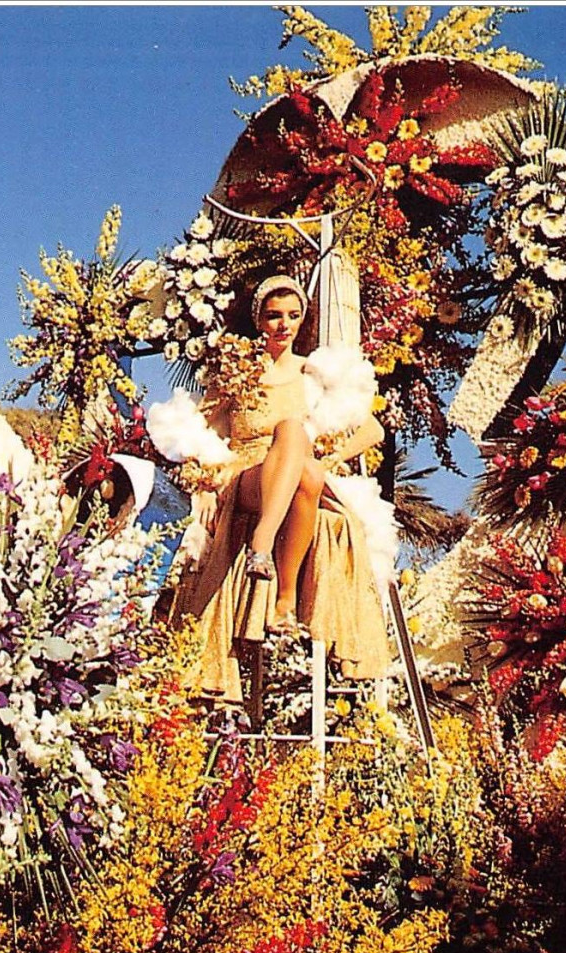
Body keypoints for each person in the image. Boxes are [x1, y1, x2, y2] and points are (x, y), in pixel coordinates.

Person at [168, 274, 395, 703]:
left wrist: (328, 460)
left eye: (292, 316)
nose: (283, 325)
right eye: (274, 316)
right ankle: (264, 547)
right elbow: (201, 431)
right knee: (292, 433)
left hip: (304, 478)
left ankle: (281, 588)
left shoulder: (313, 374)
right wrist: (201, 487)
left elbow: (372, 429)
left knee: (304, 460)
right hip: (249, 477)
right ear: (260, 321)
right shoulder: (237, 370)